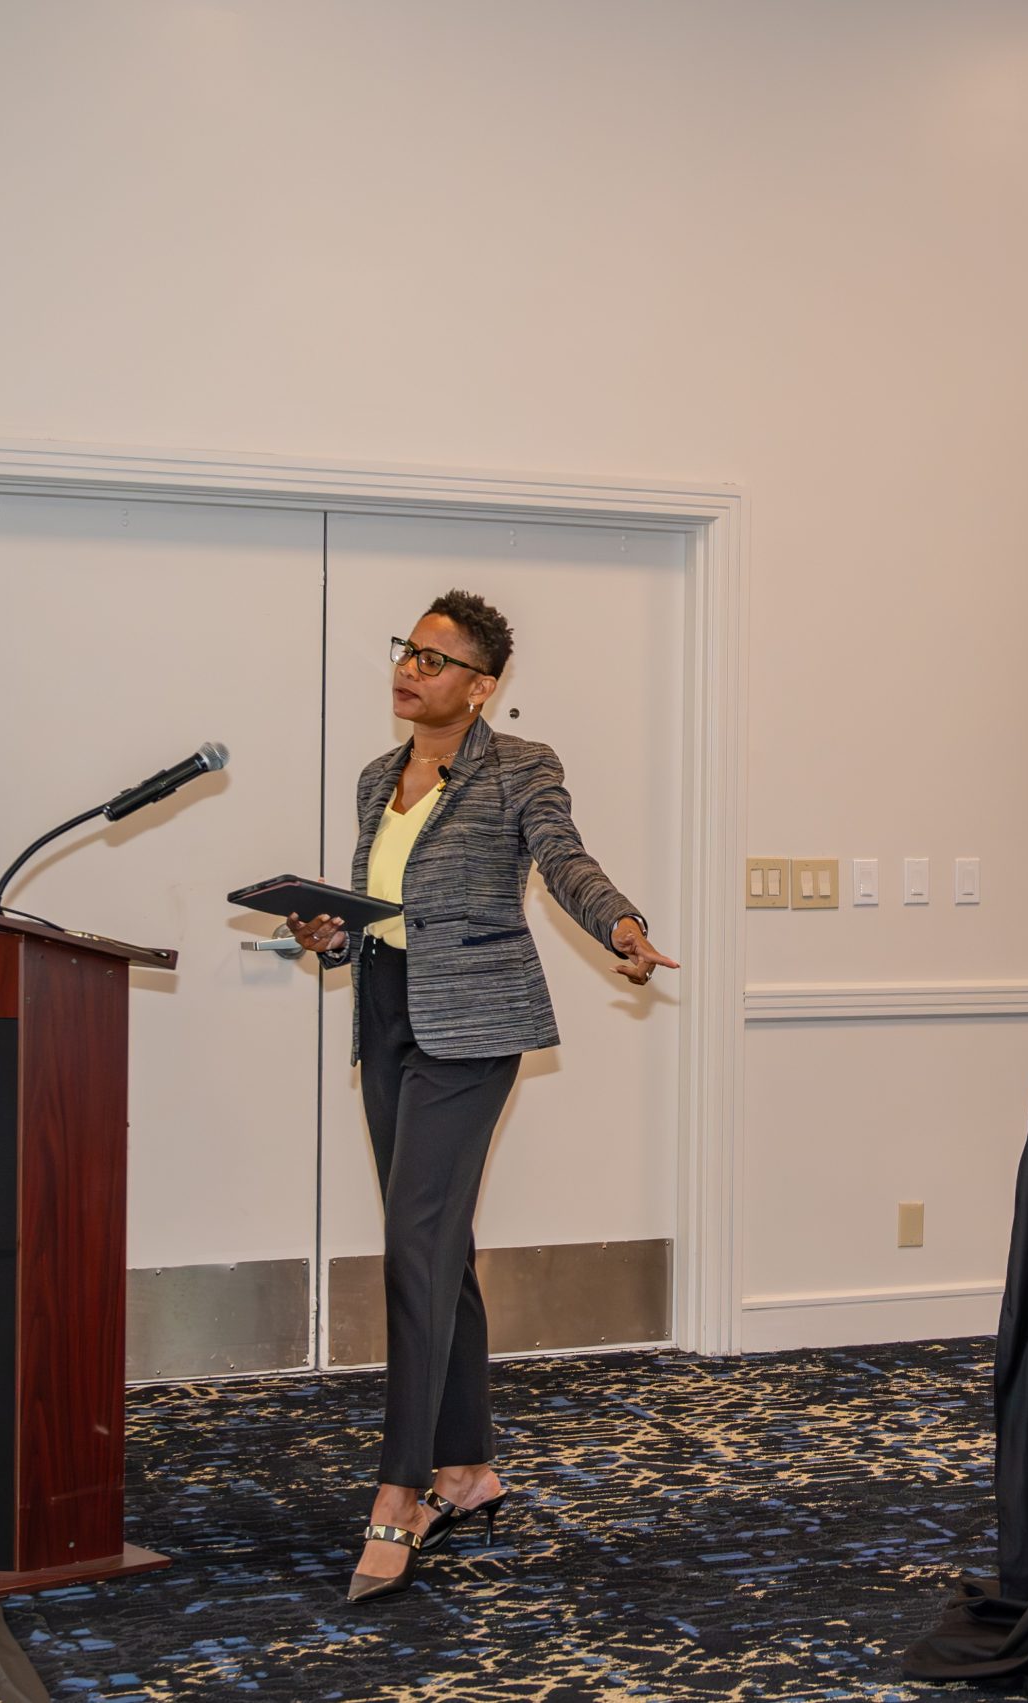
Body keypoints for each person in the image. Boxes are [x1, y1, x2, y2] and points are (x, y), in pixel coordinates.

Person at [285, 588, 677, 1603]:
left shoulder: (520, 766)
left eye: (434, 658)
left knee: (412, 1245)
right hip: (386, 1015)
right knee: (440, 1247)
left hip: (473, 1029)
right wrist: (330, 933)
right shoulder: (376, 777)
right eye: (405, 650)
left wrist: (621, 925)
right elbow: (381, 908)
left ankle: (402, 1488)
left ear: (481, 685)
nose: (408, 669)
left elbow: (563, 858)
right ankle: (468, 1469)